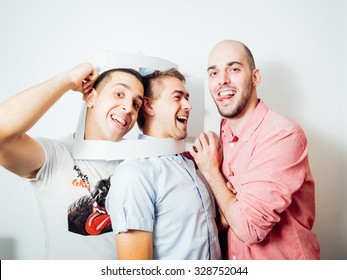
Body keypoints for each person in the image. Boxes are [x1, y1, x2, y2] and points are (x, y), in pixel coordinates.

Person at [189, 39, 320, 260]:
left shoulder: (282, 135)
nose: (222, 80)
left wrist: (211, 172)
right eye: (214, 73)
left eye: (234, 69)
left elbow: (248, 228)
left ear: (255, 77)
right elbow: (226, 213)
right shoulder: (223, 133)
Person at [0, 63, 145, 259]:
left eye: (136, 103)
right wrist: (67, 79)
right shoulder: (56, 155)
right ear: (91, 97)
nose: (129, 108)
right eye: (119, 94)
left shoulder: (139, 162)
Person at [105, 68, 221, 260]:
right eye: (178, 97)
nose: (188, 105)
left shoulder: (190, 164)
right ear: (149, 106)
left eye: (187, 98)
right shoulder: (134, 174)